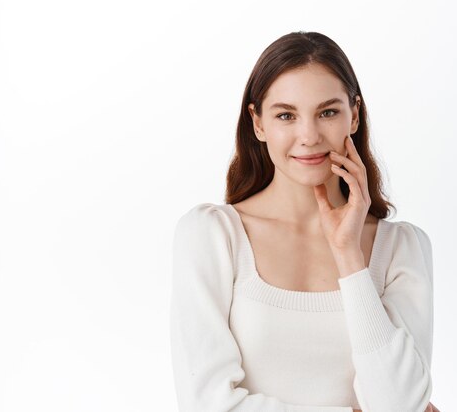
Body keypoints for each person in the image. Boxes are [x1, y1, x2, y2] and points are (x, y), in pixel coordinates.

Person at [170, 31, 440, 412]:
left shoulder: (402, 248)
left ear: (354, 115)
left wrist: (349, 257)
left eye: (328, 112)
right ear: (258, 123)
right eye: (286, 115)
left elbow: (398, 403)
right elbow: (207, 404)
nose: (309, 136)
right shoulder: (213, 236)